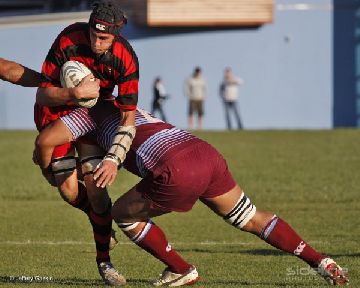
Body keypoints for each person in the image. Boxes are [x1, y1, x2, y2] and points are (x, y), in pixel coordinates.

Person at [34, 101, 349, 287]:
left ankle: (181, 269)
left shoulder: (81, 114)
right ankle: (321, 262)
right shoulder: (125, 104)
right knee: (251, 218)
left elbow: (47, 140)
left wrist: (50, 171)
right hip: (204, 153)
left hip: (177, 168)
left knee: (123, 215)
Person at [14, 0, 139, 285]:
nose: (96, 41)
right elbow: (43, 95)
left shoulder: (126, 59)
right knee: (70, 192)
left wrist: (114, 158)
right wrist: (74, 92)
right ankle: (99, 220)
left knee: (95, 187)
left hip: (91, 118)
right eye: (94, 34)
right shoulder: (69, 38)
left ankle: (104, 261)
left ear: (116, 34)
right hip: (56, 114)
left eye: (104, 37)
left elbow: (128, 116)